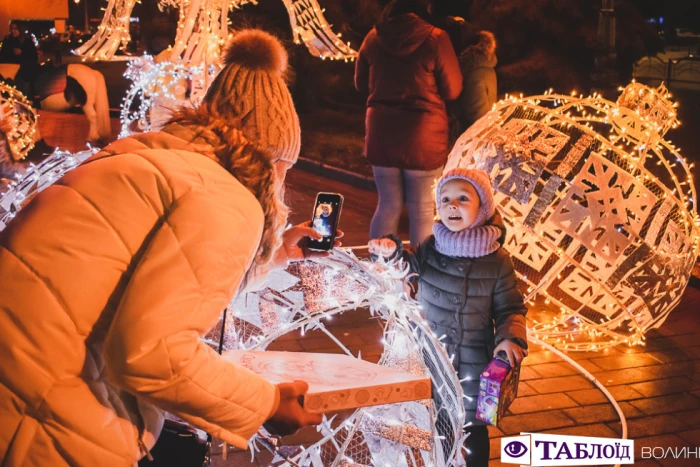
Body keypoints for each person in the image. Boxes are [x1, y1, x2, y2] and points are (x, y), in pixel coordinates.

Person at [0, 29, 331, 466]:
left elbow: (158, 278)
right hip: (45, 420)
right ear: (267, 161)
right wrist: (266, 403)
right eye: (283, 171)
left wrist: (278, 253)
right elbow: (152, 355)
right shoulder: (225, 196)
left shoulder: (148, 161)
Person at [369, 168, 528, 467]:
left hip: (473, 363)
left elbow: (510, 307)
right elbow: (406, 268)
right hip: (431, 357)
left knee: (472, 434)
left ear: (482, 207)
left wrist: (509, 338)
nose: (452, 205)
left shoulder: (497, 260)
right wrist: (390, 253)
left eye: (463, 198)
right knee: (438, 426)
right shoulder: (431, 247)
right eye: (445, 199)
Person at [355, 0, 462, 248]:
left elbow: (361, 84)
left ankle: (380, 269)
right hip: (423, 134)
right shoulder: (436, 38)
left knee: (387, 203)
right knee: (423, 208)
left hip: (382, 133)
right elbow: (453, 89)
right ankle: (421, 276)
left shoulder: (373, 37)